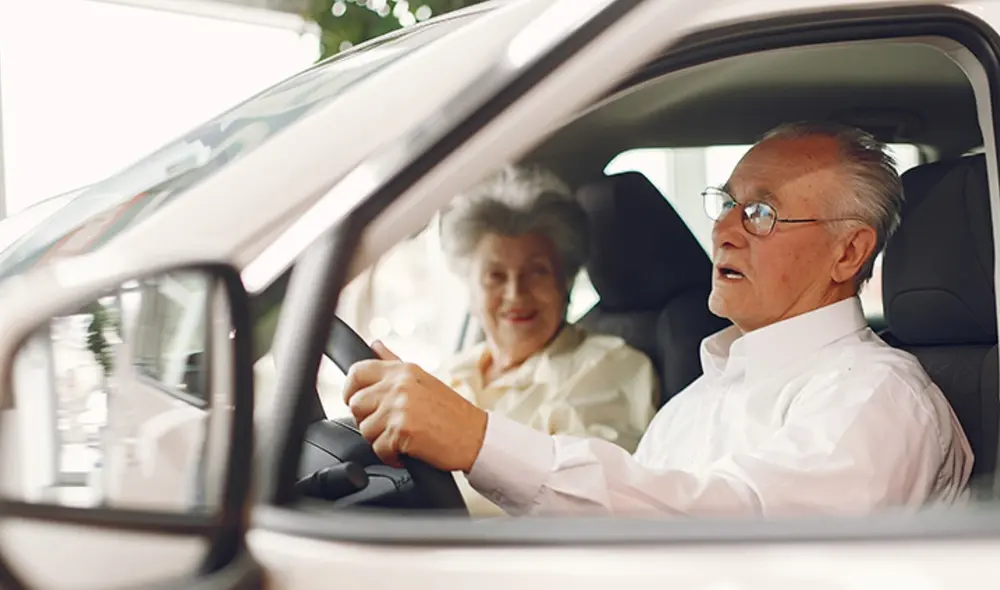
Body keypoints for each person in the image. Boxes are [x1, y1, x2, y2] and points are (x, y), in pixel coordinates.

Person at [342, 122, 974, 517]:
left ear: (849, 252)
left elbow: (737, 534)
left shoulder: (879, 398)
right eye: (726, 203)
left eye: (760, 213)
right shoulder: (696, 401)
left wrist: (478, 440)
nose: (723, 230)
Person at [435, 166, 656, 453]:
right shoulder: (455, 370)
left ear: (566, 281)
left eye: (537, 272)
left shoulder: (609, 366)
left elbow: (587, 475)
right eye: (496, 276)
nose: (515, 293)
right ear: (471, 287)